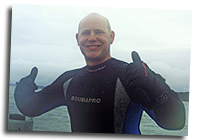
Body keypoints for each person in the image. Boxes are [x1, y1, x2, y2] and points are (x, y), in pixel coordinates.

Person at [14, 13, 185, 134]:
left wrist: (154, 85)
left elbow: (175, 123)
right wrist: (24, 86)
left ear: (111, 37)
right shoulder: (69, 81)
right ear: (77, 39)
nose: (92, 38)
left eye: (99, 32)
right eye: (86, 33)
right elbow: (31, 107)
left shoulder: (129, 76)